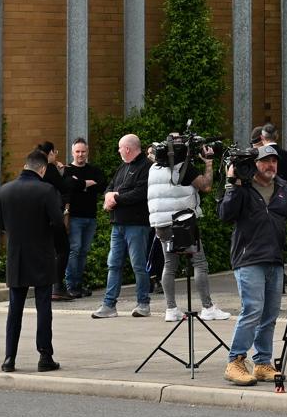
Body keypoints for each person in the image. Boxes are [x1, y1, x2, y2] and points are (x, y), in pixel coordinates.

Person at [217, 143, 287, 385]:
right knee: (252, 309)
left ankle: (262, 363)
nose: (271, 165)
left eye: (274, 161)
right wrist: (232, 183)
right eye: (265, 161)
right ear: (254, 164)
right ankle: (235, 362)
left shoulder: (285, 189)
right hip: (248, 258)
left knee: (269, 314)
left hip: (274, 259)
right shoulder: (243, 188)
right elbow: (225, 214)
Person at [148, 138, 230, 322]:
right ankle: (208, 308)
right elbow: (206, 186)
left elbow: (151, 153)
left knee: (169, 265)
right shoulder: (183, 168)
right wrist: (208, 163)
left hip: (160, 224)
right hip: (182, 223)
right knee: (199, 263)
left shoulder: (154, 168)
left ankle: (171, 309)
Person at [0, 147, 63, 373]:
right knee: (43, 307)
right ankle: (45, 356)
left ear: (25, 165)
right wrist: (60, 247)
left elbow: (2, 225)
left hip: (16, 256)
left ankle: (9, 358)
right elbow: (57, 223)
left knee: (15, 309)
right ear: (42, 169)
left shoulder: (5, 190)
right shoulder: (47, 190)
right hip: (42, 255)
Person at [93, 133, 153, 318]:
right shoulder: (122, 167)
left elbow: (140, 193)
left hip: (136, 224)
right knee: (113, 264)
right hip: (117, 224)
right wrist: (108, 196)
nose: (118, 151)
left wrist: (116, 198)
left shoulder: (147, 167)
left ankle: (143, 303)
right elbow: (110, 187)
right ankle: (109, 304)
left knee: (138, 265)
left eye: (120, 148)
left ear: (127, 149)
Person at [60, 138, 105, 299]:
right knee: (75, 250)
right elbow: (67, 186)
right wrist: (87, 183)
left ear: (87, 152)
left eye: (83, 151)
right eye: (77, 151)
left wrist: (79, 184)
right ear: (72, 152)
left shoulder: (94, 170)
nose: (80, 154)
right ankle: (71, 285)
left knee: (84, 252)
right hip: (74, 217)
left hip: (90, 217)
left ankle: (78, 284)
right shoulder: (67, 170)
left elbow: (102, 185)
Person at [38, 140, 71, 300]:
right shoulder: (50, 168)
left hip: (38, 218)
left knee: (47, 251)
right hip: (53, 216)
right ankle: (57, 286)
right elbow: (63, 186)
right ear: (50, 153)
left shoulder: (36, 169)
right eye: (55, 152)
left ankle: (48, 285)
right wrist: (65, 173)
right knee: (63, 249)